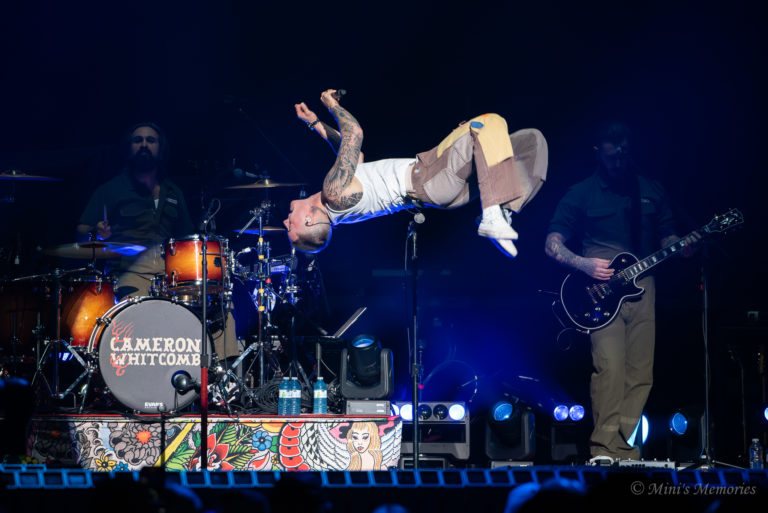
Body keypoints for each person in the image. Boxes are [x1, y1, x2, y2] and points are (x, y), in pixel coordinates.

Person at [544, 122, 700, 463]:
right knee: (610, 368)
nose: (619, 153)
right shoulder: (582, 193)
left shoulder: (651, 189)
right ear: (598, 150)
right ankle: (602, 447)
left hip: (645, 287)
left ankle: (624, 446)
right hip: (600, 290)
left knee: (641, 373)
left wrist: (681, 246)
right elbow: (552, 243)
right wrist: (584, 265)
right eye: (612, 146)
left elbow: (666, 236)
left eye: (624, 145)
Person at [287, 89, 548, 257]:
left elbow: (353, 155)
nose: (286, 222)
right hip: (429, 177)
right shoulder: (333, 193)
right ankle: (493, 214)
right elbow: (354, 134)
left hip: (440, 190)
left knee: (529, 144)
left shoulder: (338, 205)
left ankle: (500, 211)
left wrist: (315, 123)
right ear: (309, 221)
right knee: (488, 122)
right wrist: (331, 105)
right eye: (291, 227)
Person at [77, 122, 239, 358]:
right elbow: (81, 230)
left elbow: (187, 236)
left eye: (150, 141)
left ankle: (223, 378)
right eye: (138, 140)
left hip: (172, 274)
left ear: (160, 149)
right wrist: (96, 231)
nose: (144, 145)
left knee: (218, 306)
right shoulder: (111, 190)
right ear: (128, 148)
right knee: (139, 317)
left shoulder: (173, 192)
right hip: (131, 273)